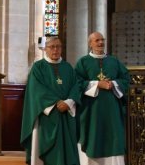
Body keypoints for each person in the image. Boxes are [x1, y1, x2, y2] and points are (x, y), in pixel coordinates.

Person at [20, 37, 80, 165]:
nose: (56, 50)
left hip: (66, 114)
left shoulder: (68, 67)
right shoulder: (38, 67)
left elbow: (76, 86)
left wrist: (68, 102)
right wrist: (57, 102)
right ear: (45, 49)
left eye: (58, 46)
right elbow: (36, 89)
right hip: (47, 115)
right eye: (52, 47)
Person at [75, 32, 129, 165]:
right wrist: (97, 84)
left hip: (112, 109)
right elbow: (77, 82)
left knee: (114, 136)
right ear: (90, 44)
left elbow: (126, 80)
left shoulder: (114, 61)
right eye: (97, 40)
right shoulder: (83, 62)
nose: (100, 43)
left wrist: (114, 84)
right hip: (91, 109)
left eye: (102, 40)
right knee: (93, 135)